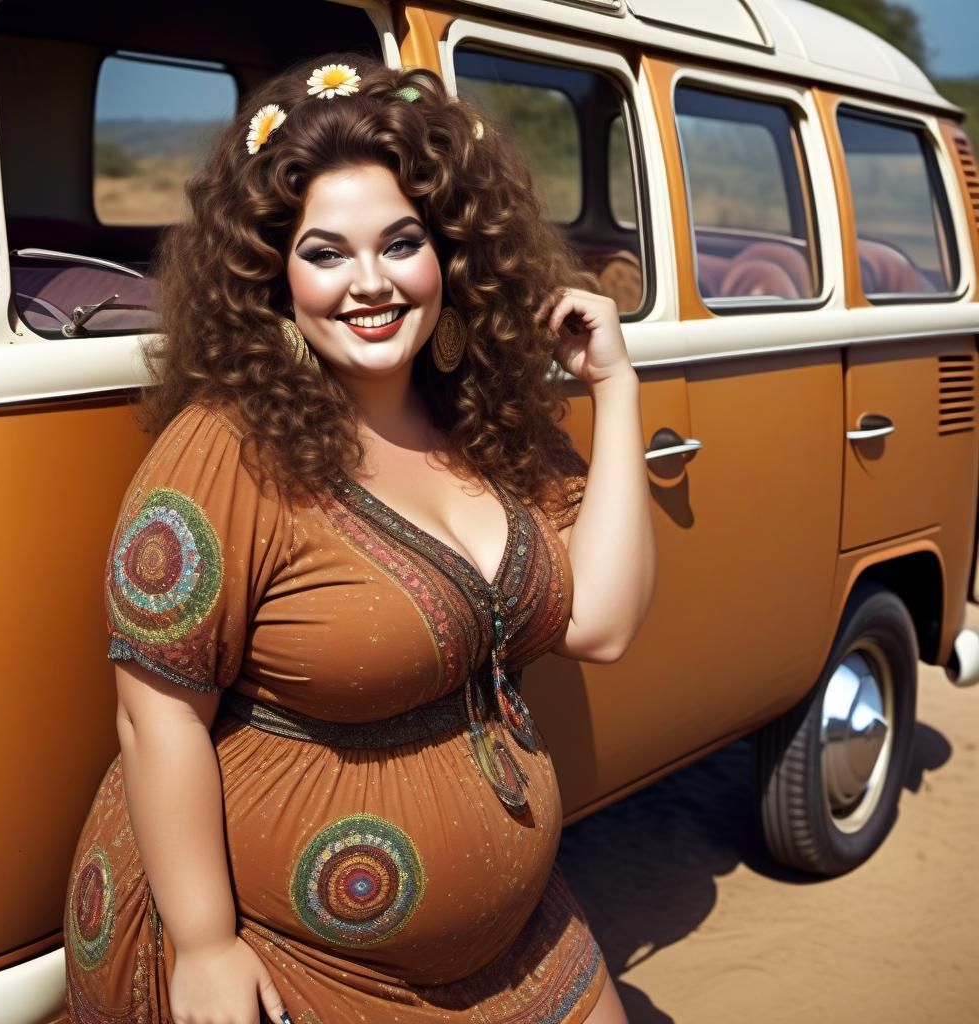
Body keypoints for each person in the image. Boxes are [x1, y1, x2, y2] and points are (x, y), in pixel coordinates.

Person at [63, 50, 655, 1024]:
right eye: (325, 251)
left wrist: (616, 387)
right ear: (272, 272)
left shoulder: (487, 420)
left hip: (517, 939)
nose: (370, 283)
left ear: (447, 251)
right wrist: (207, 945)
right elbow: (154, 715)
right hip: (293, 956)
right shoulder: (221, 451)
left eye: (400, 242)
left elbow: (603, 623)